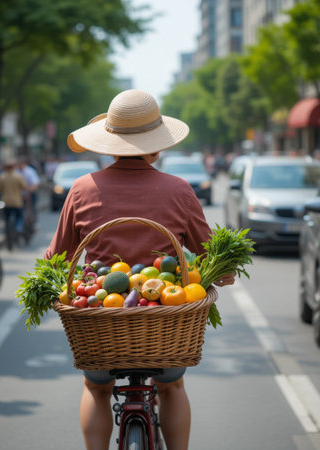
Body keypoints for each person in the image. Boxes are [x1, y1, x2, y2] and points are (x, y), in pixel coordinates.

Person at [44, 89, 235, 450]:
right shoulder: (179, 189)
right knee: (172, 385)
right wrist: (223, 273)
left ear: (108, 142)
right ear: (156, 145)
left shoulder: (82, 189)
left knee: (96, 387)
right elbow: (210, 257)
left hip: (98, 319)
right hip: (165, 321)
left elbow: (55, 260)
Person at [0, 158, 27, 240]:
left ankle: (6, 229)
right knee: (19, 217)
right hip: (17, 202)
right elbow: (24, 186)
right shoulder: (18, 176)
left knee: (6, 218)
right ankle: (18, 228)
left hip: (5, 202)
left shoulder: (1, 177)